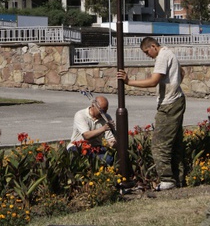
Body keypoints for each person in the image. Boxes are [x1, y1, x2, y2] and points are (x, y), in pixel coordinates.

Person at [117, 37, 186, 191]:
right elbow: (182, 72)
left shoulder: (162, 56)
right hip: (177, 100)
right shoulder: (170, 54)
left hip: (169, 104)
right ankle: (179, 178)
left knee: (159, 144)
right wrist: (174, 84)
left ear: (153, 46)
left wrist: (129, 82)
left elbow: (153, 81)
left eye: (147, 51)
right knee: (175, 142)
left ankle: (167, 179)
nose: (147, 55)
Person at [67, 95, 116, 163]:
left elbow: (110, 139)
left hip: (96, 148)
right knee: (80, 157)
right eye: (101, 110)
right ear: (93, 106)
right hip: (78, 147)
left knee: (109, 159)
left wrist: (114, 141)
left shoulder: (106, 117)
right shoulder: (81, 115)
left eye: (105, 111)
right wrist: (103, 128)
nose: (103, 113)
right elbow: (86, 135)